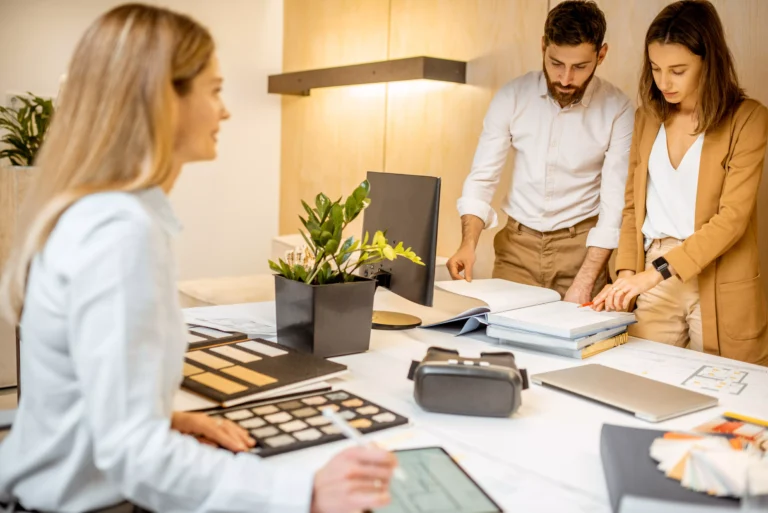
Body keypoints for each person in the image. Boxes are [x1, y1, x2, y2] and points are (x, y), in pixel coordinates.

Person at [0, 4, 396, 512]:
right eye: (214, 90)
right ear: (163, 99)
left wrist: (161, 419)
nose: (224, 111)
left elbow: (90, 396)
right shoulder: (119, 233)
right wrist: (305, 494)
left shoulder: (100, 213)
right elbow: (132, 452)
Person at [592, 0, 768, 365]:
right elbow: (632, 207)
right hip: (653, 270)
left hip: (717, 271)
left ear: (709, 62)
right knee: (640, 377)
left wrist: (653, 275)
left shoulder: (748, 119)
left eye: (678, 70)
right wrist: (627, 277)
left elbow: (732, 219)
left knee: (722, 384)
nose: (664, 82)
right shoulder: (647, 117)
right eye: (656, 68)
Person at [447, 0, 634, 303]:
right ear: (543, 46)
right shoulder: (512, 96)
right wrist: (468, 244)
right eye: (556, 63)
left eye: (580, 67)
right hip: (516, 250)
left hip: (581, 252)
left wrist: (585, 281)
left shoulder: (618, 109)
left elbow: (614, 205)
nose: (565, 79)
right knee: (501, 328)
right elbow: (482, 177)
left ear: (601, 55)